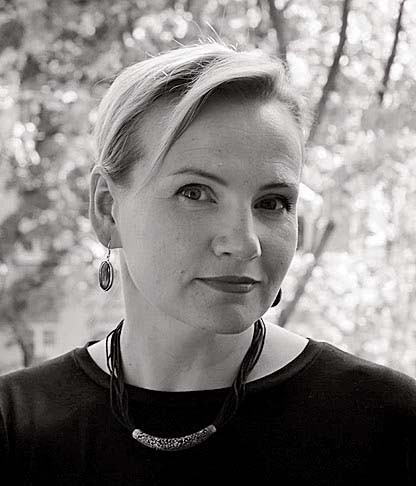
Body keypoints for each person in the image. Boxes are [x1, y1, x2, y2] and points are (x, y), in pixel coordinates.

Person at [0, 39, 415, 485]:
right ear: (107, 209)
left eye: (273, 202)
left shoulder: (390, 424)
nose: (244, 242)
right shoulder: (16, 426)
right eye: (195, 193)